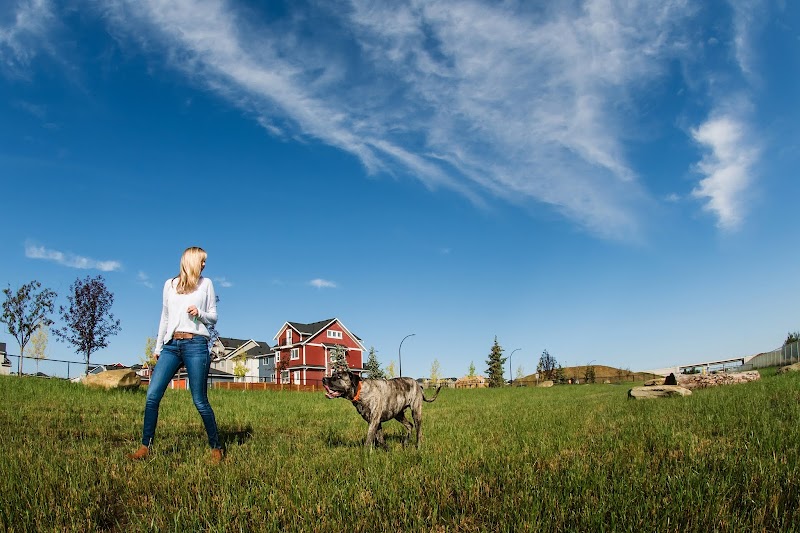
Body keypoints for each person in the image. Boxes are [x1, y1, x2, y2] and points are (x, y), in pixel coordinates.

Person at [128, 246, 223, 463]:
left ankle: (216, 447)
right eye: (202, 260)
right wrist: (158, 347)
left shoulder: (205, 284)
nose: (204, 264)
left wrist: (200, 314)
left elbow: (214, 317)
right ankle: (145, 447)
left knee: (199, 400)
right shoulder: (169, 285)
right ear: (191, 261)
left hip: (196, 344)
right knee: (152, 395)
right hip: (171, 345)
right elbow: (165, 316)